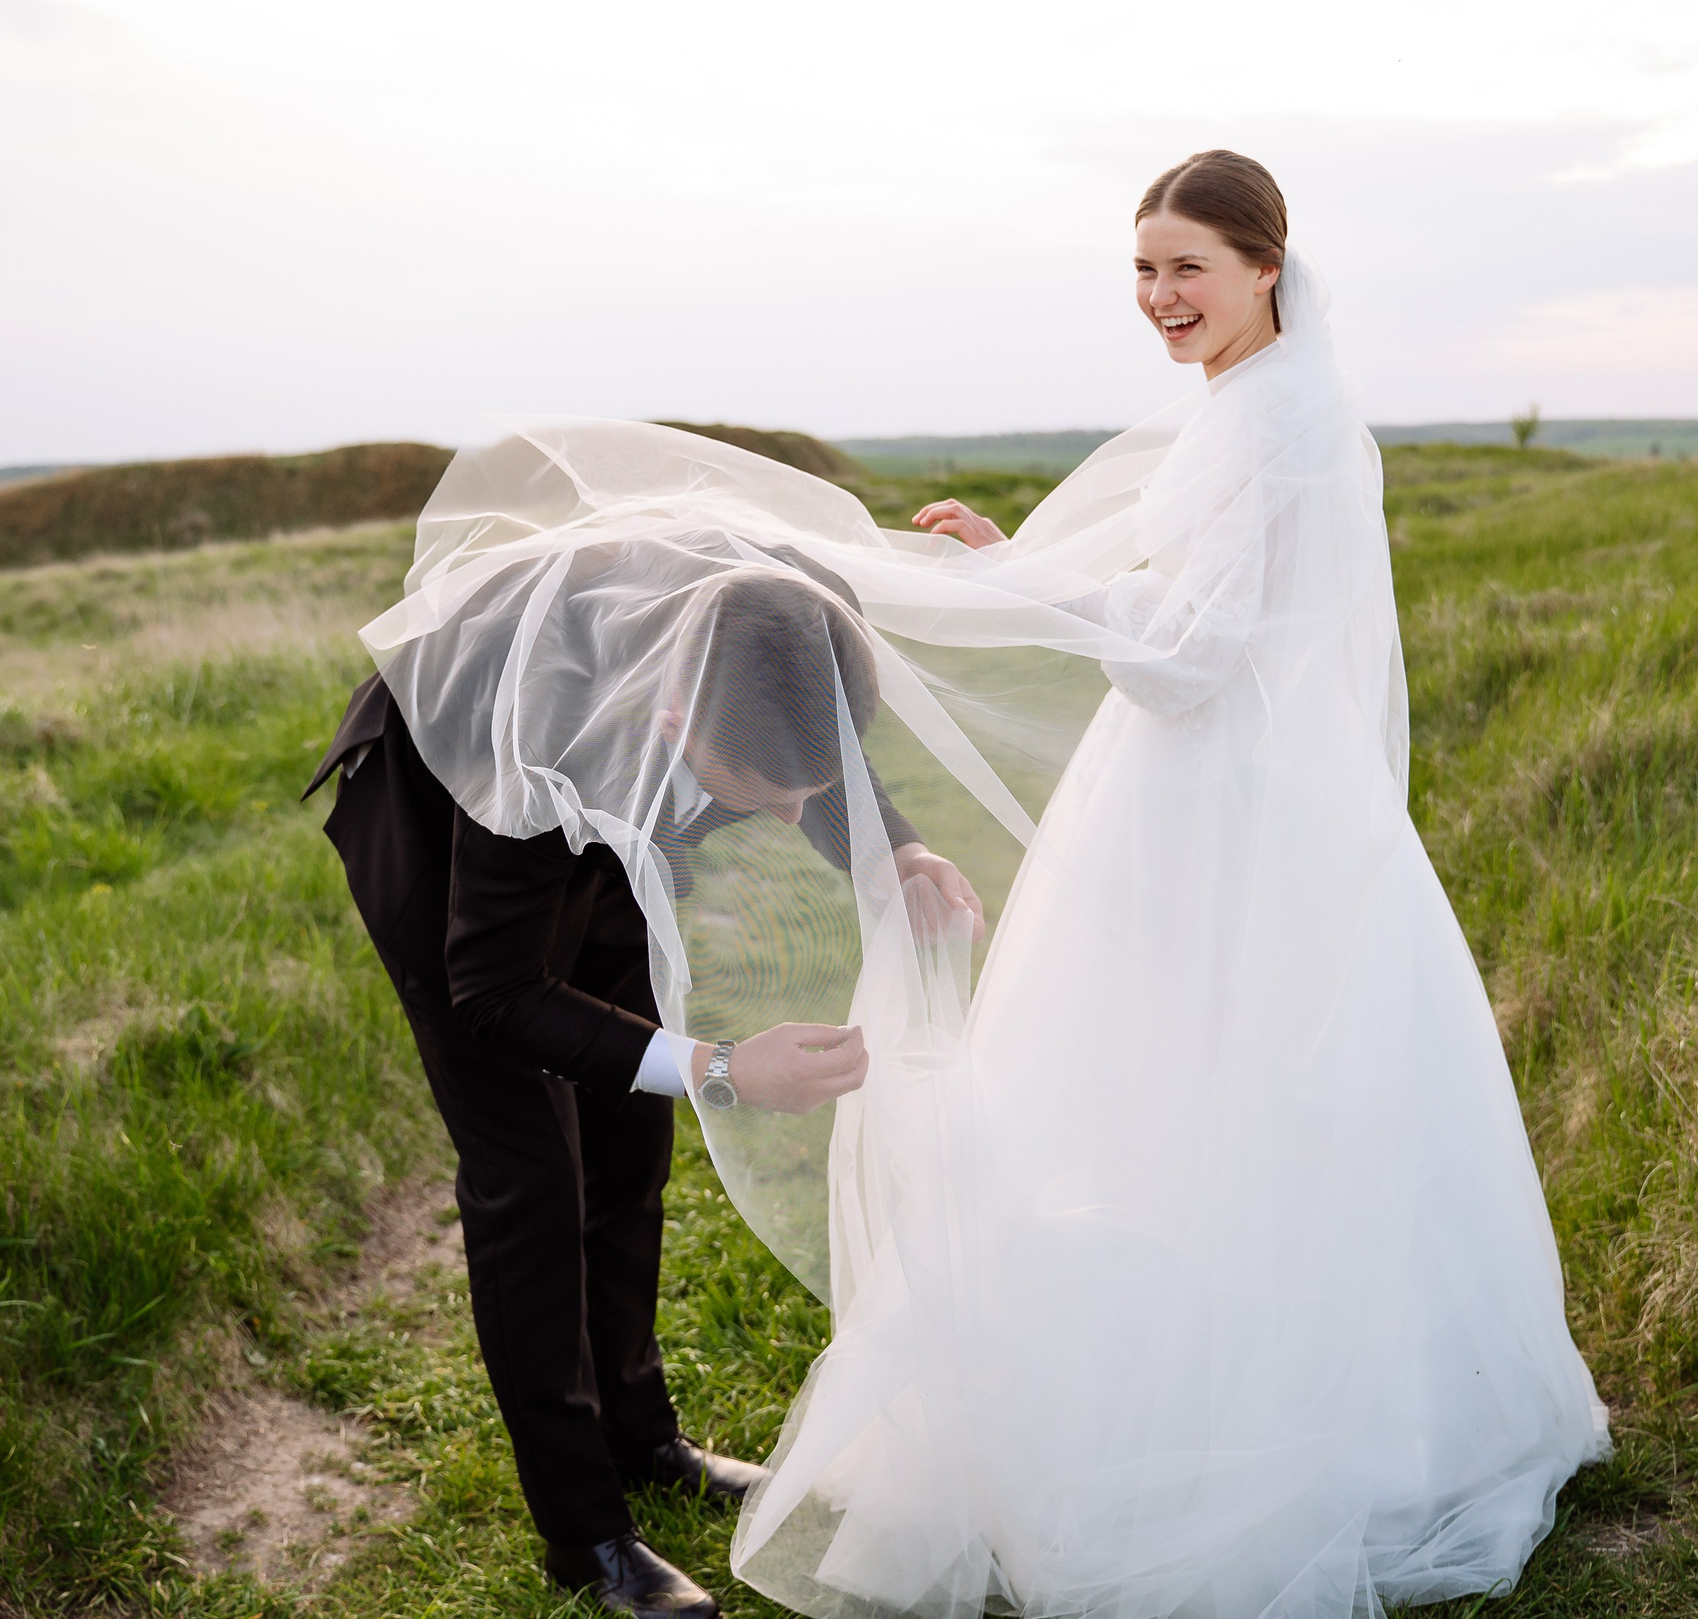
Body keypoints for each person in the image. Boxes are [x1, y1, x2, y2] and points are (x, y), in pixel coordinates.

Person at [723, 151, 1613, 1615]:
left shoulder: (1288, 420)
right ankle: (1184, 1378)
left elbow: (1194, 657)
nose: (1160, 296)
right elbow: (1194, 618)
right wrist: (1028, 567)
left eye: (1187, 266)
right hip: (1204, 791)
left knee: (1237, 1093)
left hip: (1237, 809)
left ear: (1267, 265)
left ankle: (1265, 1428)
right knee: (1168, 1087)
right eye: (1143, 269)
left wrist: (1017, 586)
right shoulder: (1246, 405)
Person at [305, 538, 982, 1619]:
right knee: (531, 1172)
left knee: (626, 1146)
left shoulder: (782, 612)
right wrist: (718, 1066)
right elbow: (494, 989)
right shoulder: (538, 717)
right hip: (444, 822)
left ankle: (643, 1434)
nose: (773, 819)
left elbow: (809, 752)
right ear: (675, 721)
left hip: (619, 822)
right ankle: (585, 1531)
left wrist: (892, 850)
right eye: (757, 796)